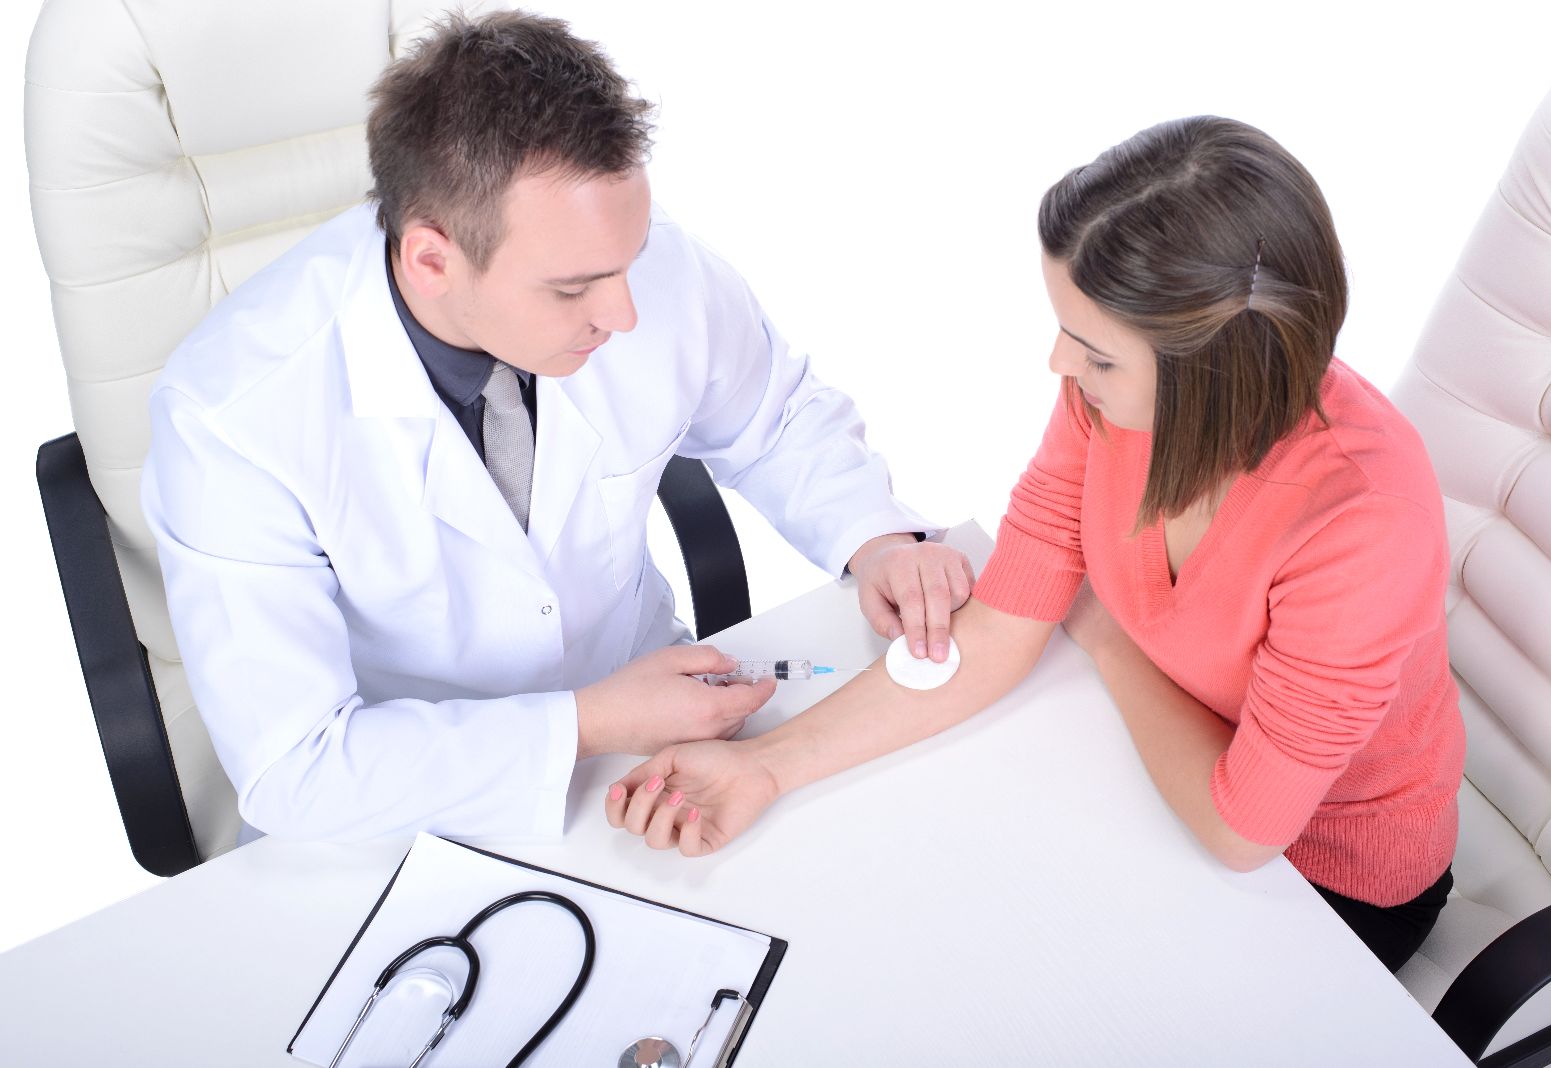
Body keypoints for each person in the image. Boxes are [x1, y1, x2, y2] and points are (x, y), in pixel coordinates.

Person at [607, 116, 1467, 972]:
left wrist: (1101, 632)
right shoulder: (1119, 401)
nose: (1060, 363)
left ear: (1214, 369)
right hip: (1160, 769)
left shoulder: (1362, 524)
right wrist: (767, 767)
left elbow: (1242, 831)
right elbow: (1000, 630)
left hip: (1323, 881)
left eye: (1094, 352)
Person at [139, 12, 971, 844]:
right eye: (573, 291)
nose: (623, 312)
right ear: (432, 261)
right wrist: (588, 722)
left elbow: (777, 418)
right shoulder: (233, 417)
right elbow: (301, 773)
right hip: (400, 807)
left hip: (662, 735)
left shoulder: (630, 263)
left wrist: (878, 540)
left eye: (629, 262)